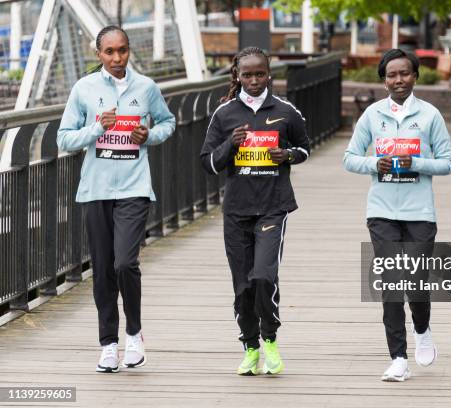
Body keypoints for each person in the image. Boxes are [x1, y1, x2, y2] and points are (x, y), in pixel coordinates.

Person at [57, 26, 176, 373]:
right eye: (109, 52)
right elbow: (65, 139)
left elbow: (168, 123)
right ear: (99, 54)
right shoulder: (84, 88)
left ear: (129, 51)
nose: (116, 58)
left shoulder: (146, 87)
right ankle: (108, 344)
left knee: (125, 263)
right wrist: (96, 128)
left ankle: (134, 334)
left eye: (122, 50)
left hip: (134, 189)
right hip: (95, 191)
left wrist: (148, 135)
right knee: (103, 271)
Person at [343, 49, 451, 382]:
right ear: (384, 79)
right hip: (382, 213)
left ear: (415, 76)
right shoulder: (372, 116)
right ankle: (398, 358)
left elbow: (447, 162)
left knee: (416, 283)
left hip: (420, 213)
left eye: (404, 73)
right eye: (391, 75)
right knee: (392, 285)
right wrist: (373, 164)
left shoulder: (431, 115)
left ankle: (422, 328)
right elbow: (349, 158)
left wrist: (415, 163)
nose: (398, 80)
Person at [200, 47, 310, 376]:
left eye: (259, 74)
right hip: (236, 210)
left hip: (273, 207)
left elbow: (305, 148)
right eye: (246, 75)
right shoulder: (224, 115)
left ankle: (270, 339)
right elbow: (207, 163)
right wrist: (229, 145)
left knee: (263, 276)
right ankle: (250, 347)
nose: (253, 80)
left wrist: (287, 155)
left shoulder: (286, 111)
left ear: (269, 75)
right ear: (237, 76)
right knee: (243, 286)